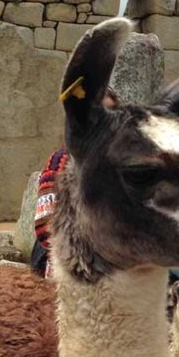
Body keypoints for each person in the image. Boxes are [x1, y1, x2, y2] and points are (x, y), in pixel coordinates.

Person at [31, 89, 119, 276]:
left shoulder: (121, 166)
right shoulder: (61, 162)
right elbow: (45, 227)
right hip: (72, 270)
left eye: (110, 114)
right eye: (96, 114)